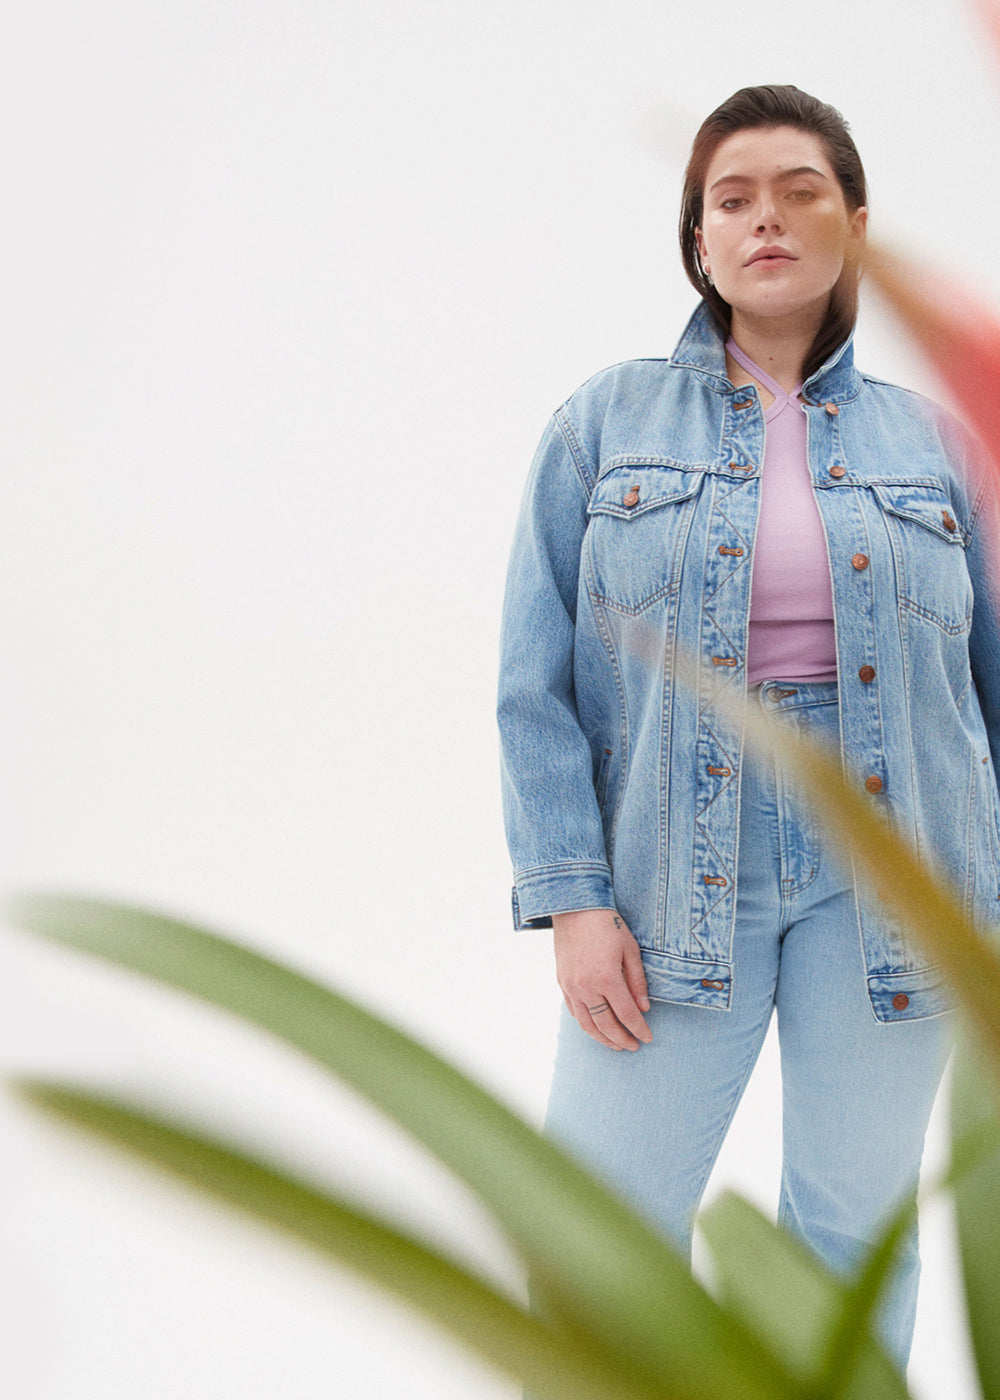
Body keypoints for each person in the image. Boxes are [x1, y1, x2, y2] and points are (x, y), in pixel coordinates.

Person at [496, 83, 1000, 1371]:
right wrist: (572, 900)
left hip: (901, 871)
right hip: (667, 866)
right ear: (698, 241)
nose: (765, 219)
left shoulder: (939, 445)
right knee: (599, 1230)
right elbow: (532, 687)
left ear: (859, 226)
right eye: (732, 199)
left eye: (800, 191)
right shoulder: (599, 425)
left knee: (852, 1227)